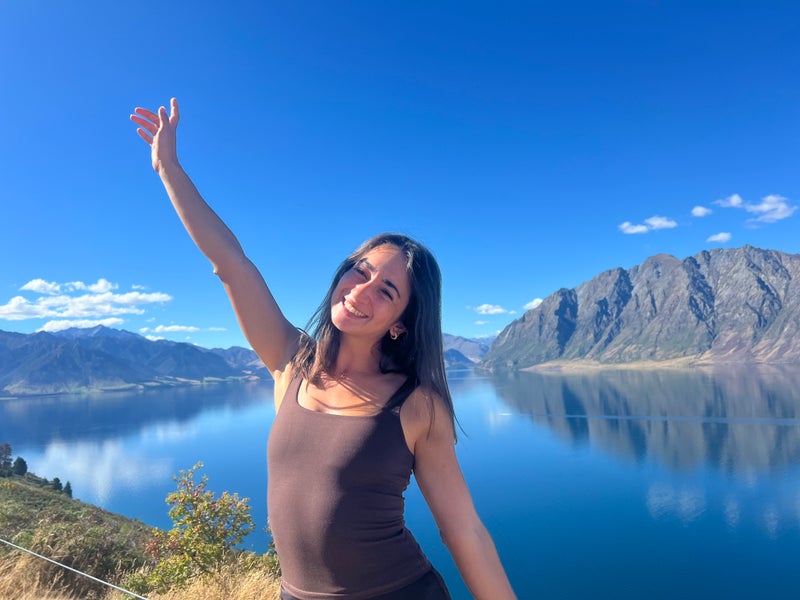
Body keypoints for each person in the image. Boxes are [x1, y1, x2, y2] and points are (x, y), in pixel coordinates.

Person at [130, 98, 516, 600]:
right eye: (360, 270)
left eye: (386, 291)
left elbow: (463, 531)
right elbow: (231, 264)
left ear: (401, 324)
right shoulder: (291, 365)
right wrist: (169, 169)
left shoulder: (417, 405)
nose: (361, 290)